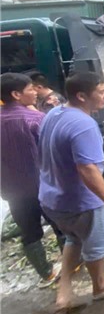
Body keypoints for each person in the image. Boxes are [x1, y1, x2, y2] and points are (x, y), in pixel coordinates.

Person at [39, 72, 104, 309]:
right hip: (81, 201)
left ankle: (64, 289)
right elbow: (87, 169)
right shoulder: (84, 124)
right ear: (82, 96)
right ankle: (101, 285)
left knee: (73, 238)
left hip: (52, 198)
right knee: (96, 245)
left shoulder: (54, 113)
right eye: (101, 92)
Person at [0, 73, 64, 285]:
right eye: (30, 89)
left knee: (29, 232)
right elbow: (55, 153)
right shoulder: (36, 119)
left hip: (12, 191)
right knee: (61, 225)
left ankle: (46, 273)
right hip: (44, 186)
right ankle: (73, 263)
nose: (35, 92)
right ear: (16, 94)